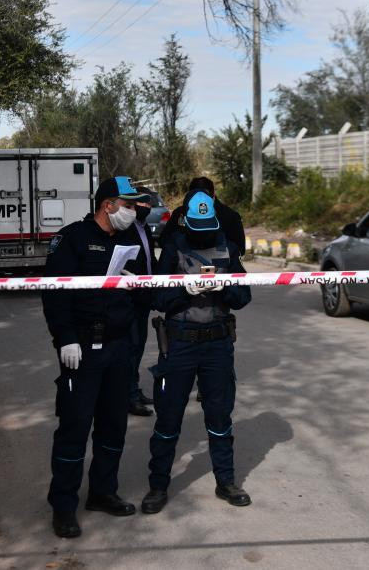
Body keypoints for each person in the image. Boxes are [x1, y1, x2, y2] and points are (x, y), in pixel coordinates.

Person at [41, 175, 150, 539]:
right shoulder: (72, 239)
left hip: (119, 347)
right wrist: (65, 339)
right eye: (128, 204)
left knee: (113, 426)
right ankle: (64, 506)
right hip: (83, 349)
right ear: (108, 205)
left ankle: (102, 491)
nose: (133, 211)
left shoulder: (128, 238)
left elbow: (139, 294)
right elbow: (54, 293)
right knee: (74, 428)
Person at [141, 190, 252, 514]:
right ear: (186, 222)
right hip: (180, 343)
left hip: (217, 344)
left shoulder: (227, 248)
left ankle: (226, 481)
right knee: (168, 418)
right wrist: (182, 289)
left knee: (220, 416)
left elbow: (243, 296)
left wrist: (225, 286)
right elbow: (156, 298)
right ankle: (158, 486)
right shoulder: (174, 246)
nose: (203, 234)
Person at [128, 186, 157, 417]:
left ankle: (134, 390)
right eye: (143, 204)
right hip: (129, 298)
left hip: (144, 297)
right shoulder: (126, 228)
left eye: (149, 204)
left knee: (138, 347)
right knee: (131, 347)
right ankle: (128, 395)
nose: (147, 208)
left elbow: (150, 261)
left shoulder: (144, 228)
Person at [160, 176, 246, 253]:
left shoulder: (230, 216)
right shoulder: (179, 213)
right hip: (185, 267)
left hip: (221, 268)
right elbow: (164, 240)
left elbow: (239, 249)